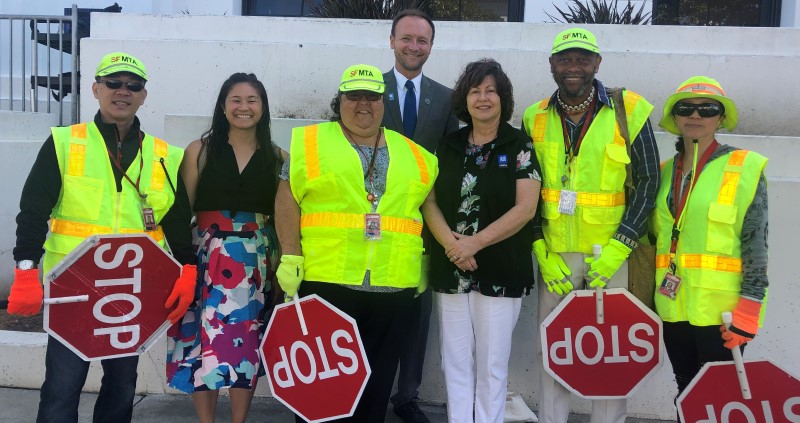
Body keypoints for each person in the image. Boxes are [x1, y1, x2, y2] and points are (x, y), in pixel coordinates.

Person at [7, 52, 196, 423]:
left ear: (144, 95)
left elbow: (175, 219)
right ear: (96, 89)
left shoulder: (163, 156)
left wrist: (188, 268)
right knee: (63, 384)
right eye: (113, 83)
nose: (122, 91)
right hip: (73, 286)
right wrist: (26, 270)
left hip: (131, 287)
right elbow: (32, 212)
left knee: (123, 382)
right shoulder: (65, 142)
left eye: (133, 85)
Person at [274, 63, 437, 422]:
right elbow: (287, 199)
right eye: (354, 96)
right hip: (328, 281)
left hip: (392, 285)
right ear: (340, 100)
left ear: (383, 102)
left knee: (376, 388)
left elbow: (427, 207)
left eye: (372, 96)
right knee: (321, 385)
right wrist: (289, 254)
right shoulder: (310, 142)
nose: (364, 104)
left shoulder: (415, 154)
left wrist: (425, 261)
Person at [521, 28, 660, 423]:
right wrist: (539, 249)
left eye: (583, 59)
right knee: (555, 349)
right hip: (557, 257)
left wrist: (623, 243)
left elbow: (649, 180)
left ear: (597, 63)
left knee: (611, 354)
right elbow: (527, 187)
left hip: (611, 256)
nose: (574, 67)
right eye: (565, 59)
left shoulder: (628, 109)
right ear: (552, 65)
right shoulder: (535, 116)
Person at [421, 58, 541, 423]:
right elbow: (429, 201)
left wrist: (474, 243)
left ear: (503, 97)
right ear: (465, 99)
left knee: (491, 365)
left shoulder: (519, 144)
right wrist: (452, 247)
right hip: (451, 267)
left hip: (500, 268)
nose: (483, 98)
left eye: (491, 90)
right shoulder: (448, 144)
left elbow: (526, 208)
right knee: (454, 362)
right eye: (475, 91)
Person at [166, 72, 282, 423]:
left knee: (246, 344)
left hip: (256, 263)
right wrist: (185, 265)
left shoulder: (278, 157)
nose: (244, 107)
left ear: (262, 107)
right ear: (222, 105)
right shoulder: (199, 151)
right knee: (205, 344)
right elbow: (181, 209)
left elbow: (281, 217)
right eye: (236, 100)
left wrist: (279, 269)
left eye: (252, 100)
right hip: (206, 259)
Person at [653, 76, 768, 418]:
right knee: (686, 390)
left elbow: (756, 245)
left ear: (720, 118)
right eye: (685, 108)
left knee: (720, 397)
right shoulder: (662, 173)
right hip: (673, 307)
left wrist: (750, 309)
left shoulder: (745, 167)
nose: (695, 115)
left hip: (724, 313)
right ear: (675, 118)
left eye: (707, 109)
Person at [381, 8, 459, 423]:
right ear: (391, 41)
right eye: (406, 38)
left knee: (417, 314)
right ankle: (369, 389)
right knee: (372, 309)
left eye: (422, 40)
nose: (414, 47)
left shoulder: (447, 98)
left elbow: (452, 159)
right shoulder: (366, 90)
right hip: (373, 226)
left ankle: (406, 396)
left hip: (425, 227)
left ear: (431, 46)